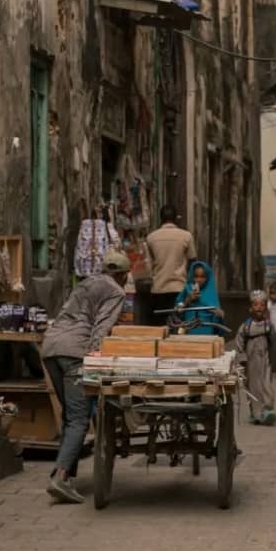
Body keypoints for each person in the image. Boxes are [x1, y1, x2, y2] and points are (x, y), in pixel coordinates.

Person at [40, 249, 131, 503]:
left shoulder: (86, 282)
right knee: (79, 419)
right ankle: (60, 478)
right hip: (74, 353)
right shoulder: (116, 291)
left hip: (50, 348)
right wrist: (95, 358)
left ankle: (64, 474)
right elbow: (102, 327)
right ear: (123, 275)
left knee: (70, 415)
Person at [145, 205, 197, 325]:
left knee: (160, 327)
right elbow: (193, 261)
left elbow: (148, 264)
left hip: (158, 288)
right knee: (179, 326)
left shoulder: (151, 237)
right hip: (179, 288)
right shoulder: (186, 236)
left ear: (161, 218)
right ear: (175, 218)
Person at [235, 291, 276, 425]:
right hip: (251, 361)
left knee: (266, 385)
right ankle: (256, 413)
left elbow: (274, 343)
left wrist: (275, 360)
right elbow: (239, 343)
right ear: (251, 308)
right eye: (256, 305)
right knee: (253, 386)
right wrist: (241, 360)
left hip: (265, 360)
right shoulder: (246, 327)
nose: (259, 308)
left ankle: (268, 410)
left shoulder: (268, 326)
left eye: (262, 305)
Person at [172, 260, 226, 335]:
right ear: (192, 276)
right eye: (196, 276)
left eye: (202, 277)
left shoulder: (211, 293)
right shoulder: (187, 289)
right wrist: (188, 300)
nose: (199, 280)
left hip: (206, 329)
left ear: (207, 277)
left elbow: (218, 319)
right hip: (189, 329)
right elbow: (177, 309)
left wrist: (218, 315)